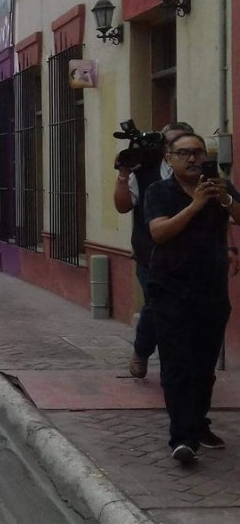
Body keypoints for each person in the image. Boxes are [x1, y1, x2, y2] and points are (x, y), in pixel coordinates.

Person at [145, 133, 239, 464]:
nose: (192, 159)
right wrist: (197, 204)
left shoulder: (219, 186)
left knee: (203, 366)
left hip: (211, 291)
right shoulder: (160, 192)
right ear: (169, 159)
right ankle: (182, 438)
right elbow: (160, 232)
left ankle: (198, 424)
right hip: (170, 289)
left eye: (198, 152)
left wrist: (225, 199)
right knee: (177, 364)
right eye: (184, 153)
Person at [114, 122, 195, 379]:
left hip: (193, 258)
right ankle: (143, 351)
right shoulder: (146, 172)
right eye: (170, 144)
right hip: (151, 256)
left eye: (184, 145)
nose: (178, 150)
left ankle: (184, 364)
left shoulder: (201, 175)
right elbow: (124, 205)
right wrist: (123, 174)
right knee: (156, 305)